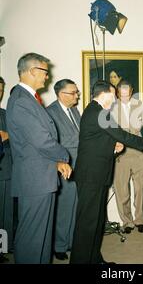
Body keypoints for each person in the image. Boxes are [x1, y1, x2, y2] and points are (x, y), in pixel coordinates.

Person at [69, 80, 143, 264]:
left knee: (96, 220)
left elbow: (100, 138)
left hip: (97, 174)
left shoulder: (95, 110)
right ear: (105, 94)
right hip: (91, 175)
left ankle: (94, 259)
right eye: (113, 94)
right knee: (87, 222)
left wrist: (112, 145)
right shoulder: (99, 112)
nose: (115, 98)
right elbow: (120, 133)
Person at [6, 53, 72, 264]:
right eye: (45, 72)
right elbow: (41, 140)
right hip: (34, 180)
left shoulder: (28, 99)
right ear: (33, 71)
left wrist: (56, 162)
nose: (47, 76)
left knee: (43, 236)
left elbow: (35, 145)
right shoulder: (21, 101)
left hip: (41, 176)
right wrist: (64, 155)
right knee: (32, 237)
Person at [46, 79, 81, 260]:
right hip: (64, 164)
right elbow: (51, 142)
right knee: (64, 206)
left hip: (79, 164)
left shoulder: (74, 110)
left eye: (77, 92)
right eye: (73, 92)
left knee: (76, 205)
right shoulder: (50, 112)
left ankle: (71, 242)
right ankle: (59, 246)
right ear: (61, 94)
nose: (77, 95)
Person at [111, 80, 143, 234]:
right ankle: (127, 221)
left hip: (140, 154)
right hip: (121, 154)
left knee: (140, 189)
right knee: (122, 191)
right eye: (122, 95)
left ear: (131, 91)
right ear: (118, 93)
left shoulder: (141, 105)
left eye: (128, 94)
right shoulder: (111, 107)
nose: (125, 98)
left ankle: (139, 220)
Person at [0, 76, 13, 264]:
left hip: (8, 169)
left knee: (5, 214)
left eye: (1, 89)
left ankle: (3, 249)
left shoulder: (5, 113)